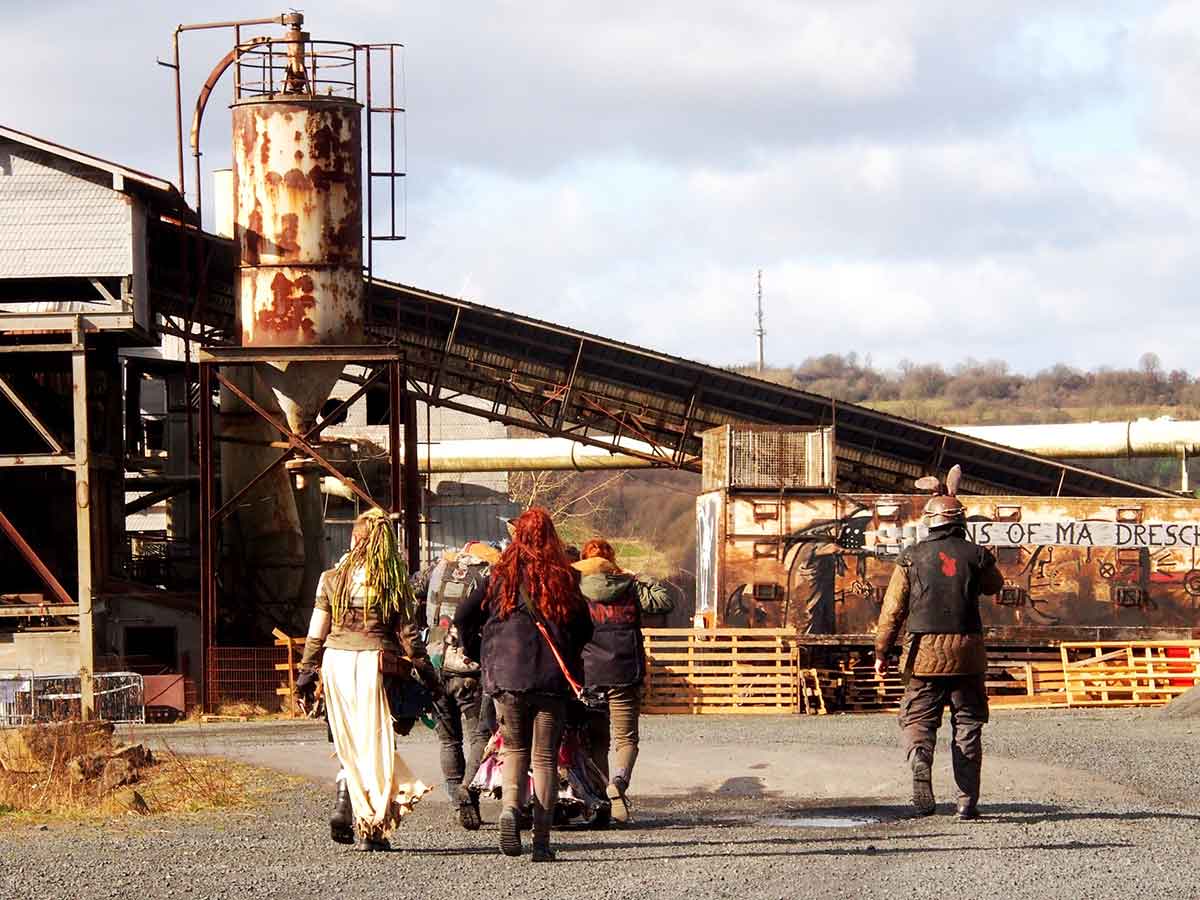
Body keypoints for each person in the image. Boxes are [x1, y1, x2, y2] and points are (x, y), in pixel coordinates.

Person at [296, 509, 439, 850]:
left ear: (355, 539)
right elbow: (409, 636)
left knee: (347, 743)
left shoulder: (331, 578)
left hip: (335, 664)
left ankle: (345, 801)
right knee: (376, 747)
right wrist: (427, 673)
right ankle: (370, 830)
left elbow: (316, 633)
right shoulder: (393, 580)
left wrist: (305, 672)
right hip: (375, 667)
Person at [455, 507, 592, 862]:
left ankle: (509, 811)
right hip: (550, 680)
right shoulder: (565, 577)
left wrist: (479, 649)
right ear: (551, 536)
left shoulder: (500, 575)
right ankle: (542, 843)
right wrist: (567, 652)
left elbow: (463, 615)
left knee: (513, 749)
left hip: (506, 676)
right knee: (545, 757)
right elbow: (585, 629)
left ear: (518, 537)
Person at [873, 466, 1004, 820]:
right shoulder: (976, 554)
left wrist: (881, 652)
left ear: (929, 521)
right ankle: (966, 802)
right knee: (968, 725)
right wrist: (983, 557)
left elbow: (892, 611)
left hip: (923, 654)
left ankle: (920, 757)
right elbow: (995, 586)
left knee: (918, 718)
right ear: (960, 520)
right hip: (968, 653)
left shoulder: (911, 556)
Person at [573, 538, 673, 823]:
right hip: (625, 672)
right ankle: (618, 783)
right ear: (612, 561)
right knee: (626, 739)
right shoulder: (630, 588)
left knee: (596, 740)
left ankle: (600, 804)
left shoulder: (576, 591)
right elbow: (665, 601)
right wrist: (637, 575)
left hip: (589, 673)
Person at [411, 541, 498, 831]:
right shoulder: (488, 572)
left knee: (448, 740)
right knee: (479, 736)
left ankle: (455, 800)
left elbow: (411, 588)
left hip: (434, 665)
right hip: (469, 667)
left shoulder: (437, 568)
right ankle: (468, 791)